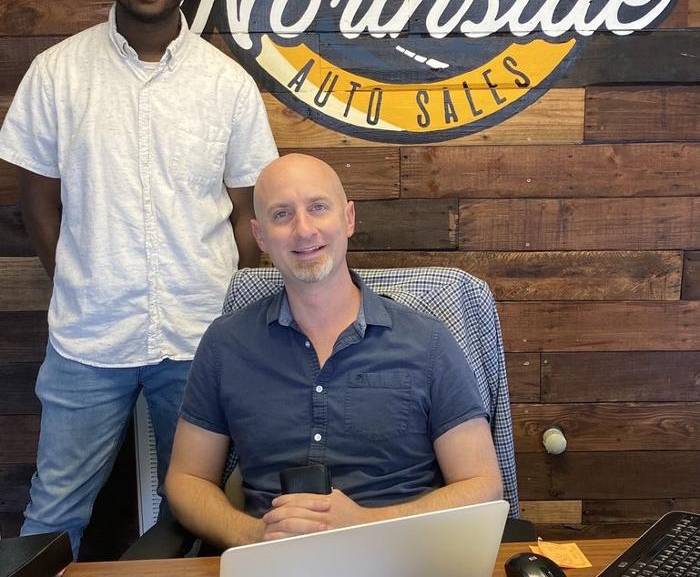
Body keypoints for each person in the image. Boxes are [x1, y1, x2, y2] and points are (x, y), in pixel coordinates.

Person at [0, 0, 278, 557]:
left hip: (198, 337)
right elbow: (37, 204)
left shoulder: (226, 85)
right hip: (88, 338)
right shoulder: (57, 74)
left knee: (209, 512)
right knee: (55, 509)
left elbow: (249, 212)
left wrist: (223, 299)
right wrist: (78, 279)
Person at [165, 153, 502, 549]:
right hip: (272, 562)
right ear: (260, 236)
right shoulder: (225, 344)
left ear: (349, 218)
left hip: (399, 556)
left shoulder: (427, 341)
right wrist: (252, 534)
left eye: (318, 207)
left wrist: (368, 524)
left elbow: (482, 484)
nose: (303, 230)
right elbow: (187, 479)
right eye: (282, 215)